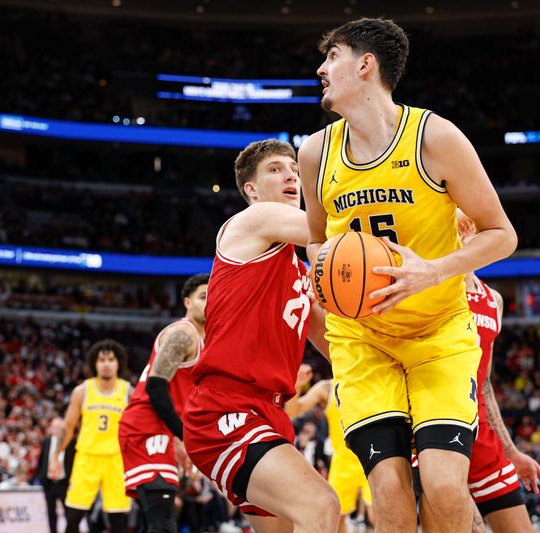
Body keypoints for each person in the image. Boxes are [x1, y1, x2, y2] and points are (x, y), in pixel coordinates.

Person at [299, 17, 518, 532]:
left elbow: (501, 233)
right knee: (390, 486)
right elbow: (314, 238)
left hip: (438, 332)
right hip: (363, 339)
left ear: (365, 65)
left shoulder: (435, 138)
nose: (321, 68)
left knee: (444, 485)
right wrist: (323, 273)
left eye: (332, 57)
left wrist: (433, 271)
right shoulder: (314, 152)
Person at [183, 139, 340, 533]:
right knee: (322, 507)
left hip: (271, 413)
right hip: (227, 408)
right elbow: (332, 231)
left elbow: (335, 345)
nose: (290, 174)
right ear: (251, 189)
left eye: (294, 169)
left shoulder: (302, 275)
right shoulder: (252, 221)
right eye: (275, 169)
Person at [457, 210, 540, 532]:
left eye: (470, 223)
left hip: (481, 432)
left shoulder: (491, 299)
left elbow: (485, 385)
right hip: (432, 429)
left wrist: (511, 450)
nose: (465, 228)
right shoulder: (429, 290)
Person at [118, 273, 209, 533]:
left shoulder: (207, 339)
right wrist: (182, 436)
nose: (209, 302)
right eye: (202, 297)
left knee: (166, 516)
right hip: (145, 424)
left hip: (165, 427)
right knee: (163, 522)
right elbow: (156, 387)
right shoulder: (183, 334)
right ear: (187, 303)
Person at [48, 340, 132, 533]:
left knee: (118, 520)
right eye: (102, 359)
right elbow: (68, 427)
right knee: (74, 515)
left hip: (116, 459)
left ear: (119, 363)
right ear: (95, 363)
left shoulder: (128, 392)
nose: (106, 364)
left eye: (111, 359)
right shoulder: (82, 391)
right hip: (87, 458)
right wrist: (55, 457)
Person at [287, 378, 374, 533]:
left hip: (372, 457)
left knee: (377, 516)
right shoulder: (326, 388)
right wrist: (297, 384)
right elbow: (293, 412)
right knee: (335, 519)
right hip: (342, 462)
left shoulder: (371, 378)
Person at [35, 417, 75, 533]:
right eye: (54, 427)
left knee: (69, 513)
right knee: (51, 513)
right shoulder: (46, 441)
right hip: (49, 483)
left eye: (59, 427)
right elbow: (42, 460)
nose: (56, 430)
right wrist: (40, 477)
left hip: (64, 482)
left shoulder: (70, 442)